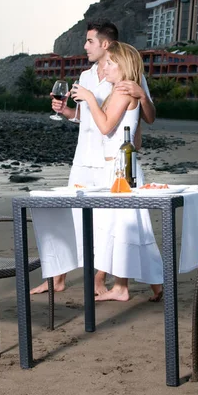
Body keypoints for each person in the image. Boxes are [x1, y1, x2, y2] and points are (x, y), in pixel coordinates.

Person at [30, 20, 157, 296]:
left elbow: (146, 116)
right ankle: (57, 278)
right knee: (70, 216)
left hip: (110, 161)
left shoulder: (126, 73)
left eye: (89, 41)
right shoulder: (85, 77)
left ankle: (100, 279)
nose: (85, 46)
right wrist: (66, 112)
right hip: (83, 157)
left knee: (105, 222)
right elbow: (84, 117)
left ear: (105, 44)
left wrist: (141, 97)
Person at [70, 41, 163, 302]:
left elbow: (106, 127)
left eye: (110, 63)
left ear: (122, 66)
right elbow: (136, 136)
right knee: (130, 226)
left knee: (121, 226)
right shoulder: (122, 91)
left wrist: (89, 98)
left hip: (118, 168)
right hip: (123, 164)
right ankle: (154, 284)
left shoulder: (122, 92)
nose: (105, 67)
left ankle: (121, 288)